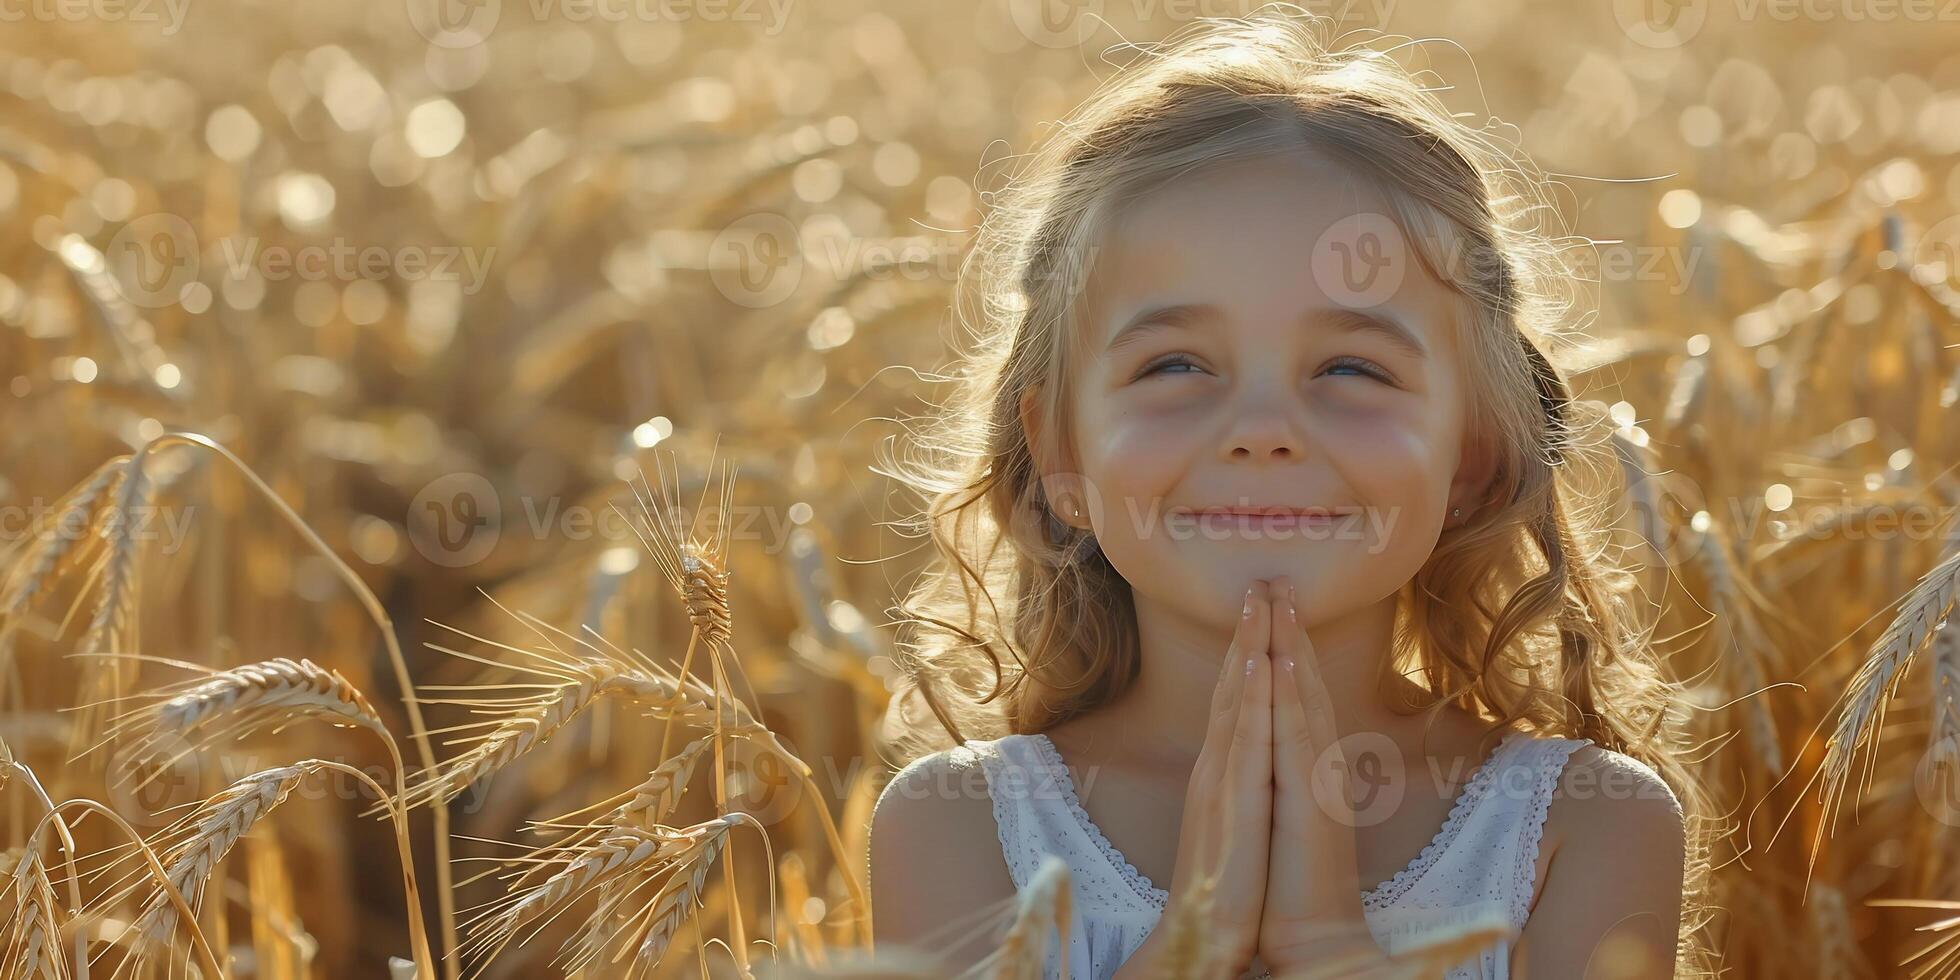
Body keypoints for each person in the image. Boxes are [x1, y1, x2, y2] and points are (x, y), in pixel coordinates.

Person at [867, 9, 1715, 979]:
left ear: (1470, 456)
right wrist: (1194, 940)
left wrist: (1327, 945)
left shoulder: (1584, 824)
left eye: (1351, 367)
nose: (1263, 425)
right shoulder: (963, 826)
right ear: (1062, 452)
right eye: (1176, 362)